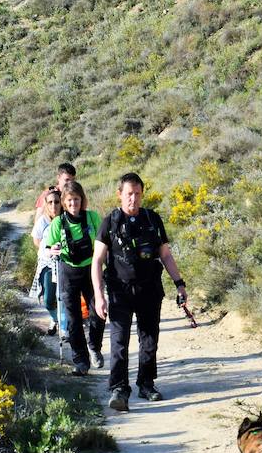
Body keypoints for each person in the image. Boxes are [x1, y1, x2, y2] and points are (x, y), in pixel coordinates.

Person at [92, 172, 187, 412]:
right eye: (128, 194)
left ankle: (146, 384)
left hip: (149, 290)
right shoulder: (109, 222)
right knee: (119, 341)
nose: (133, 199)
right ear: (120, 195)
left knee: (149, 340)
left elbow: (165, 255)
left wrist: (179, 283)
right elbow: (97, 261)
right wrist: (100, 295)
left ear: (142, 194)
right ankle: (119, 389)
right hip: (119, 291)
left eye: (137, 194)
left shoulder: (152, 219)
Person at [43, 180, 105, 375]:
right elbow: (45, 248)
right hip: (67, 272)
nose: (73, 204)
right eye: (69, 200)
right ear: (63, 202)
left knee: (99, 311)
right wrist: (52, 249)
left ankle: (94, 347)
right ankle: (81, 362)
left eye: (76, 200)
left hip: (91, 271)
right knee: (73, 319)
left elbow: (105, 243)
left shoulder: (93, 217)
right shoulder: (57, 223)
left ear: (82, 200)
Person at [30, 187, 63, 336]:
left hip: (64, 263)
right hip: (47, 264)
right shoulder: (42, 221)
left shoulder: (66, 219)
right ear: (46, 204)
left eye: (57, 202)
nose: (53, 205)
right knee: (49, 300)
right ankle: (55, 319)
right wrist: (48, 249)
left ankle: (65, 325)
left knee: (63, 297)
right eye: (50, 202)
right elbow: (36, 241)